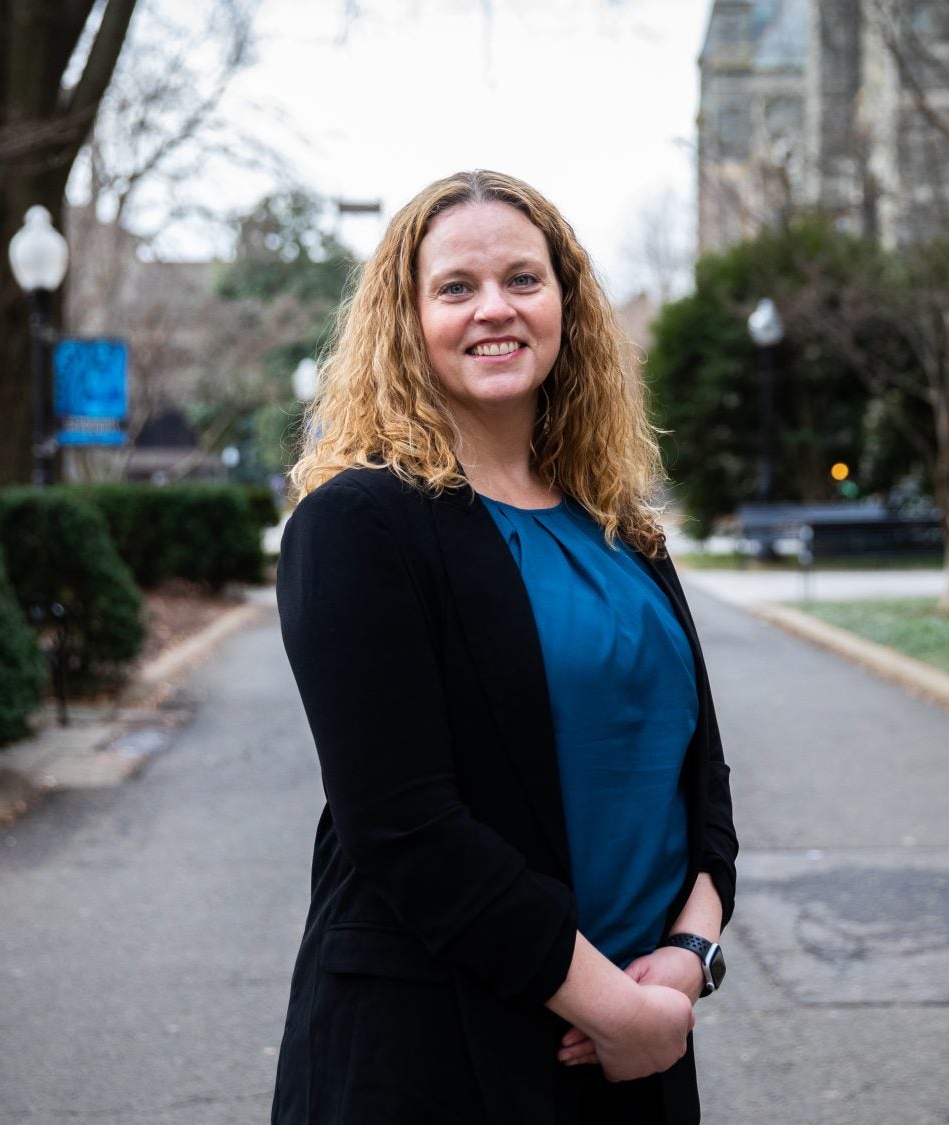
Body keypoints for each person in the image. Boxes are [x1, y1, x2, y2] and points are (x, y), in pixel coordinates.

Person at [272, 169, 739, 1125]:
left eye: (524, 279)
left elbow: (700, 783)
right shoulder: (359, 524)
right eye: (456, 287)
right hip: (441, 1053)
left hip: (634, 1049)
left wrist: (686, 964)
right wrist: (617, 1008)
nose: (496, 308)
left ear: (567, 303)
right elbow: (405, 827)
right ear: (406, 319)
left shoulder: (622, 530)